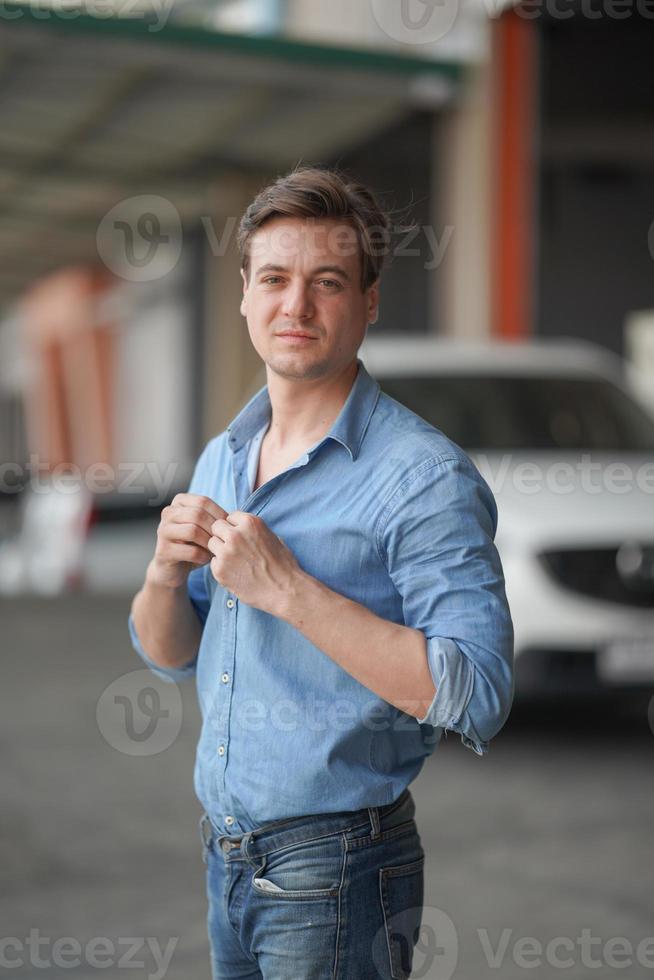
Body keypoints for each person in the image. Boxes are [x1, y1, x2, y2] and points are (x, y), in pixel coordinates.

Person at [128, 165, 514, 979]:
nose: (295, 306)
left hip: (340, 868)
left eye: (327, 282)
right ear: (243, 293)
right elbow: (169, 653)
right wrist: (164, 575)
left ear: (369, 301)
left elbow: (477, 693)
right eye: (274, 279)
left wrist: (289, 592)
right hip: (227, 855)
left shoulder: (422, 476)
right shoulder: (223, 455)